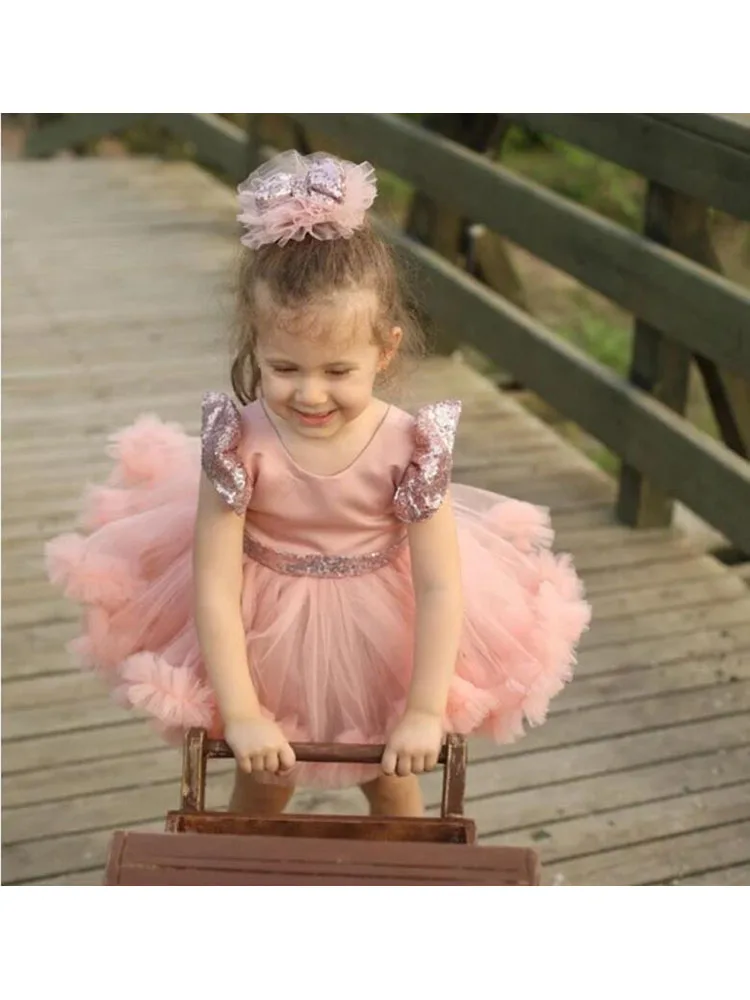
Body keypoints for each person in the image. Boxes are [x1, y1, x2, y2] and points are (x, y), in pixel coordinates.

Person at [46, 150, 591, 818]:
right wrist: (242, 713)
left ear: (384, 351)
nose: (309, 393)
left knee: (392, 779)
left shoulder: (409, 446)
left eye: (338, 371)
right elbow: (214, 585)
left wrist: (424, 709)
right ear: (254, 343)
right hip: (261, 630)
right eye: (284, 367)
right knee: (264, 780)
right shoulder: (238, 442)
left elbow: (441, 584)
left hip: (380, 634)